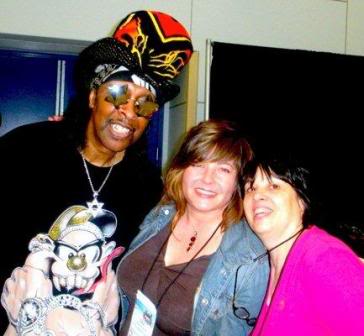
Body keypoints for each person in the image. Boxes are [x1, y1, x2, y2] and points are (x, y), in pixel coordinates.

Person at [0, 10, 193, 331]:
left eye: (144, 104)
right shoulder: (25, 150)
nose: (128, 113)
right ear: (93, 96)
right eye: (118, 95)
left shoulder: (148, 187)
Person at [116, 119, 269, 335]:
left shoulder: (249, 260)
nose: (207, 179)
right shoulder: (161, 214)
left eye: (223, 170)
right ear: (182, 168)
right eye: (198, 164)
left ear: (238, 182)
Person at [242, 153, 364, 335]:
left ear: (301, 201)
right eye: (250, 188)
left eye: (274, 186)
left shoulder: (323, 257)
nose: (257, 195)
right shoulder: (275, 266)